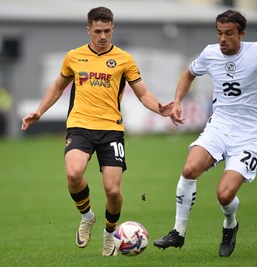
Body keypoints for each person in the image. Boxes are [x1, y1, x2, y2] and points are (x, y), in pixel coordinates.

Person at [21, 6, 172, 256]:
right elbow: (58, 87)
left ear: (112, 29)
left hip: (111, 130)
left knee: (112, 190)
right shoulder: (74, 56)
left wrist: (160, 108)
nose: (103, 36)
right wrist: (40, 111)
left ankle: (109, 233)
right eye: (98, 31)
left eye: (107, 31)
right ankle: (88, 216)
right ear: (89, 29)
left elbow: (143, 93)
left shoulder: (124, 59)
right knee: (73, 173)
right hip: (80, 125)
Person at [153, 9, 257, 257]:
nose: (222, 39)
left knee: (224, 195)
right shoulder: (210, 53)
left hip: (248, 135)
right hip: (219, 126)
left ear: (241, 33)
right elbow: (189, 73)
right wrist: (177, 101)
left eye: (228, 33)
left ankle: (230, 224)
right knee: (189, 170)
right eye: (219, 33)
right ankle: (178, 232)